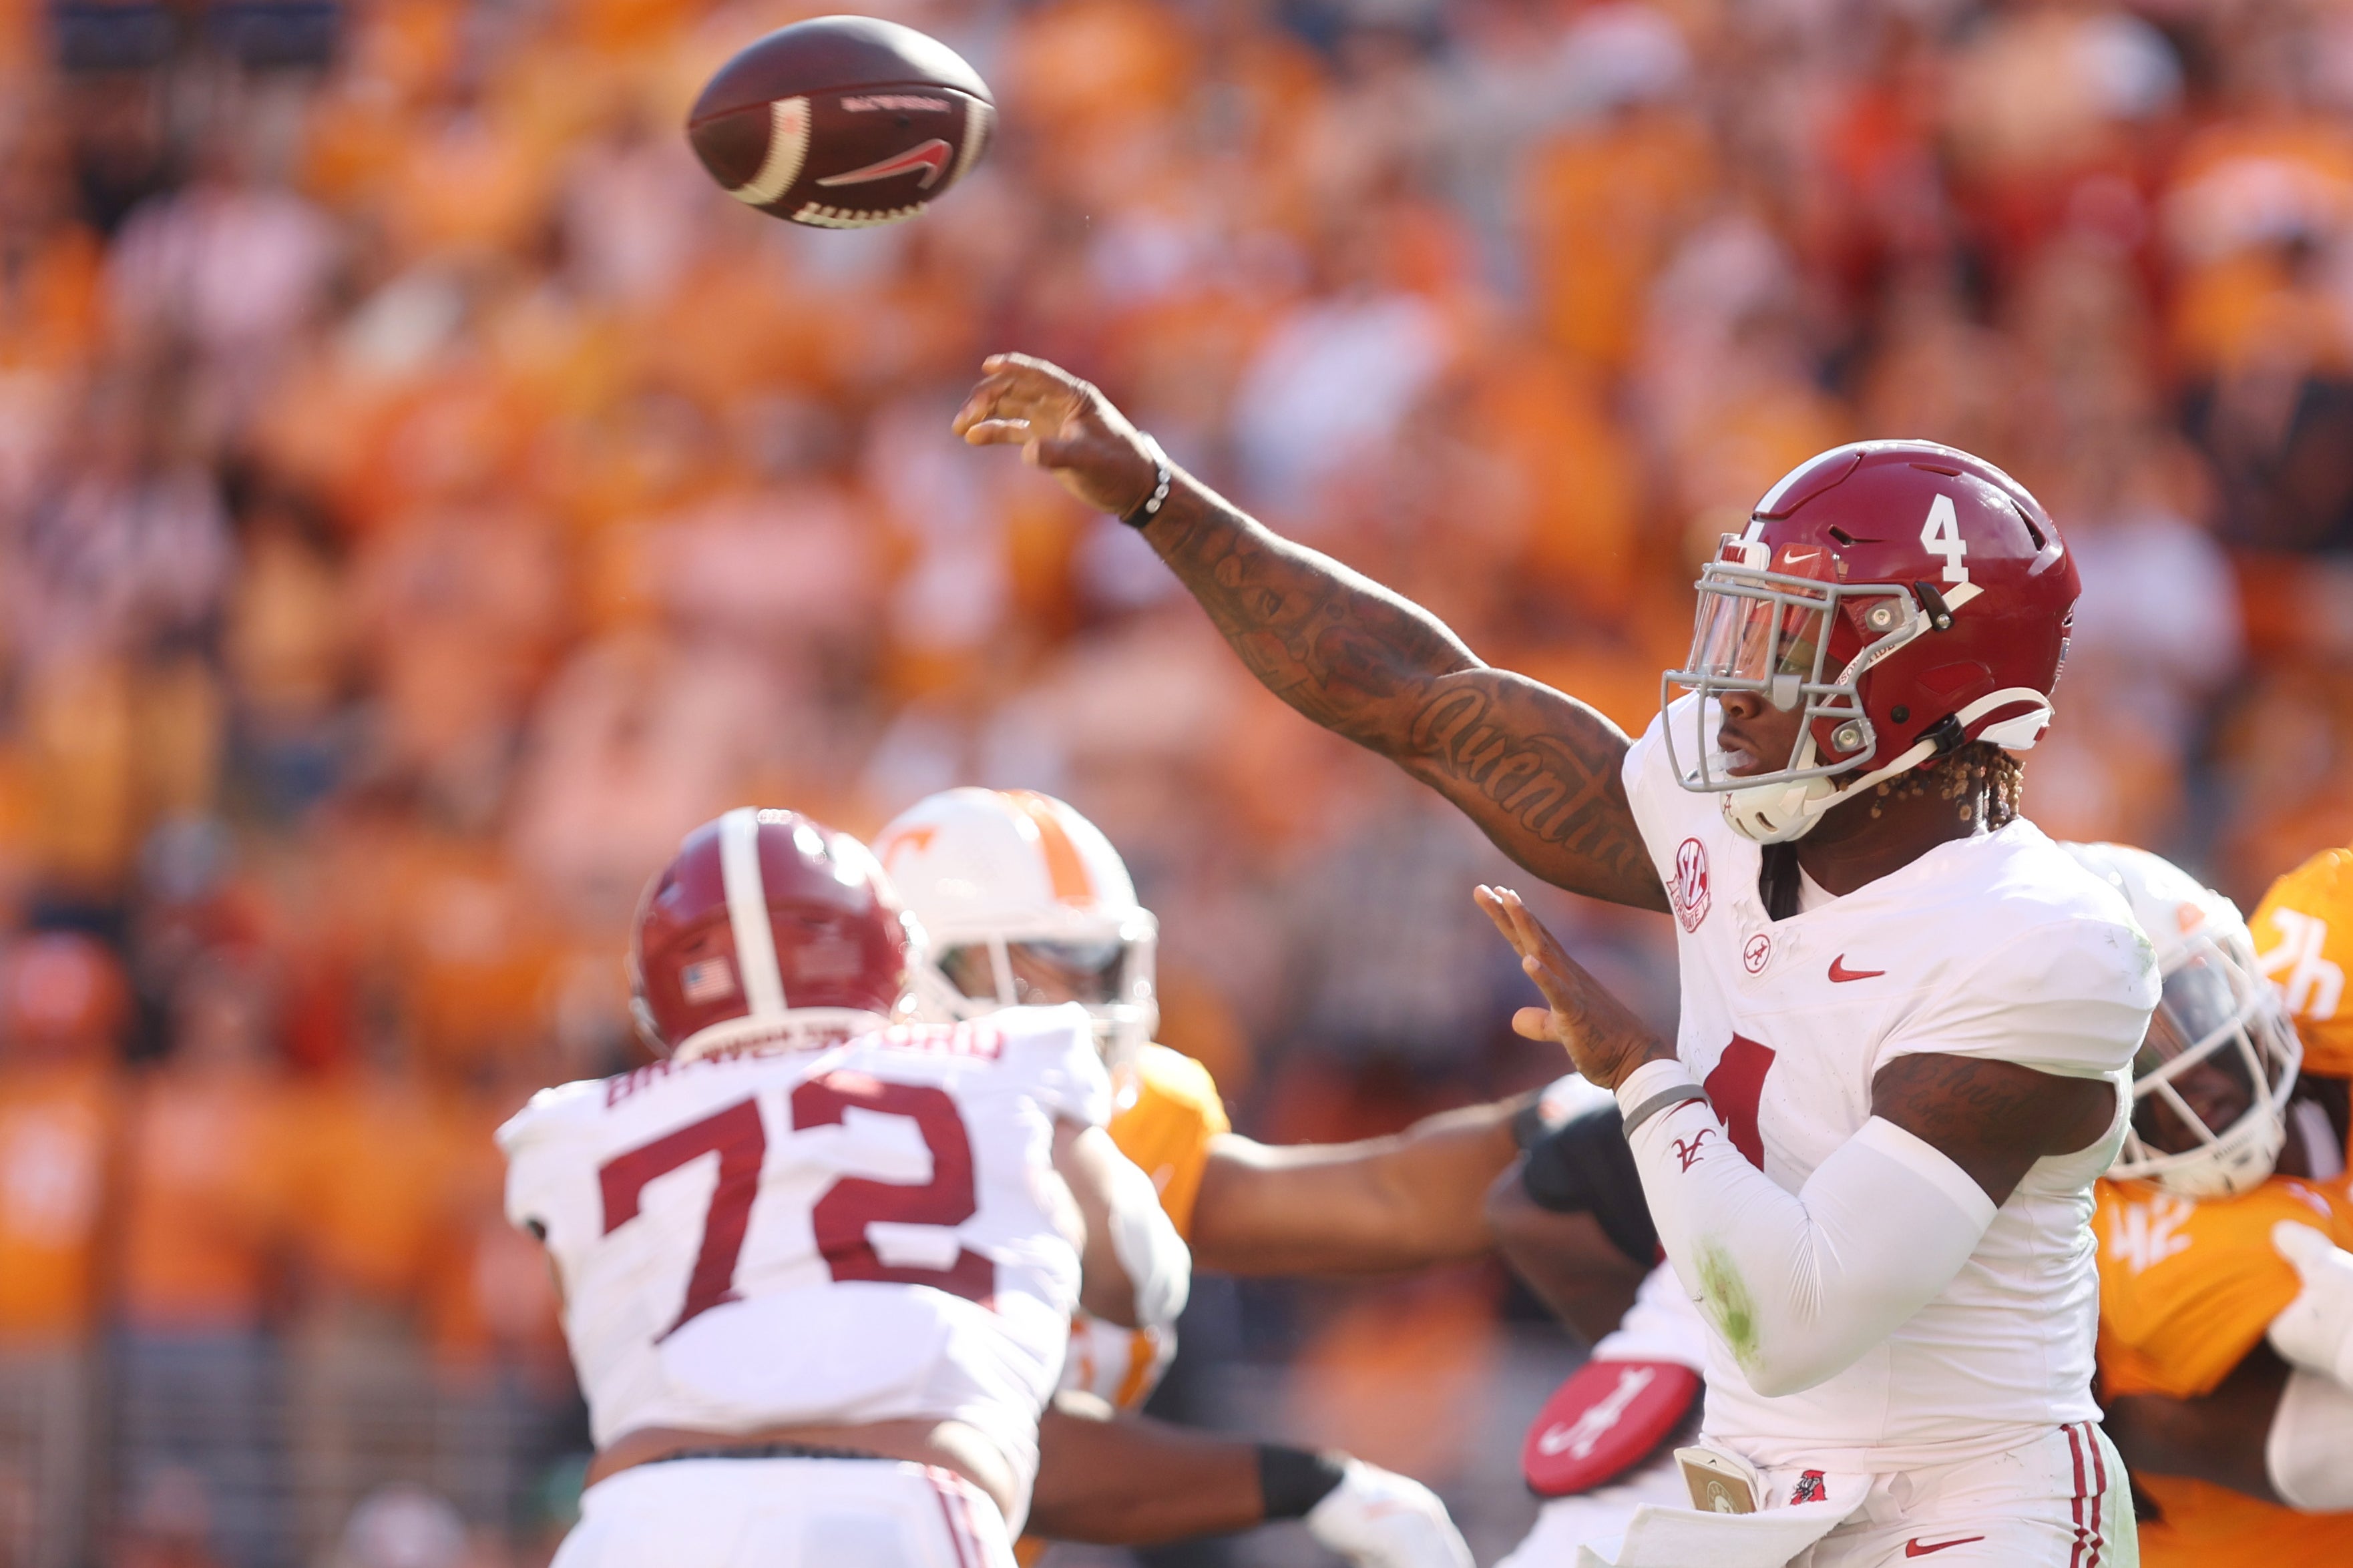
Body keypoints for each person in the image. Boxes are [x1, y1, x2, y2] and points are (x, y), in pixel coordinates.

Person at [953, 356, 2158, 1565]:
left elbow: (1797, 1314)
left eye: (1788, 644)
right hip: (1752, 1477)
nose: (1733, 684)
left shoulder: (2035, 943)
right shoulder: (1737, 794)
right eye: (1741, 619)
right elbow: (1415, 696)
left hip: (1963, 1503)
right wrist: (1156, 492)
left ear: (1926, 688)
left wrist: (1639, 1071)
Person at [498, 806, 1191, 1568]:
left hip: (645, 1524)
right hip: (897, 1507)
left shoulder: (576, 1125)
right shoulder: (1009, 1059)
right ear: (891, 954)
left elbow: (596, 1328)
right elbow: (1140, 1282)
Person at [873, 784, 1506, 1565]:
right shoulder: (854, 1146)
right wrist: (1314, 1486)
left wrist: (1583, 1122)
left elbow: (1379, 1201)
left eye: (1092, 974)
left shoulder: (1136, 1114)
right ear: (908, 982)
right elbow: (1004, 1443)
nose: (1075, 1017)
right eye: (1030, 980)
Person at [2081, 841, 2353, 1564]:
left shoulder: (2321, 958)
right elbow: (2320, 1453)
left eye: (2189, 1006)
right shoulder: (2130, 1230)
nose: (2180, 1074)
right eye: (2129, 1053)